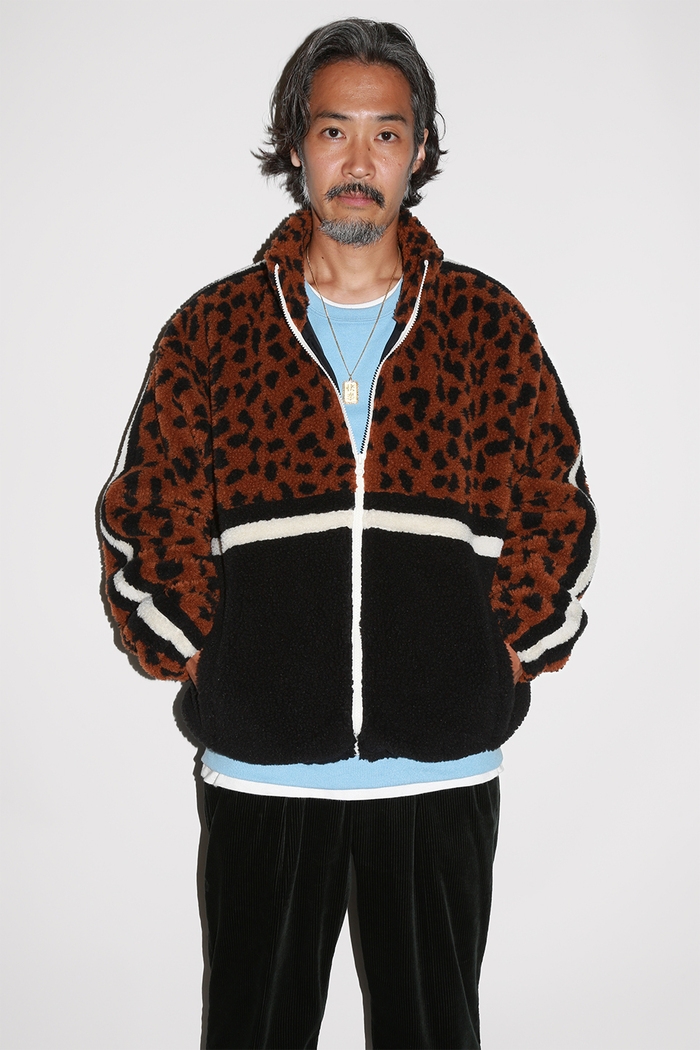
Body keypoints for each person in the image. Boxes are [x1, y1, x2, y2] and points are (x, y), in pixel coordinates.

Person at [99, 18, 598, 1050]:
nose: (359, 162)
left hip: (441, 773)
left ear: (419, 149)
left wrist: (503, 655)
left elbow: (556, 499)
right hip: (263, 772)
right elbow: (145, 507)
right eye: (335, 131)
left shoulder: (484, 326)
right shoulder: (216, 330)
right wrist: (204, 656)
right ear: (297, 145)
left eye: (386, 134)